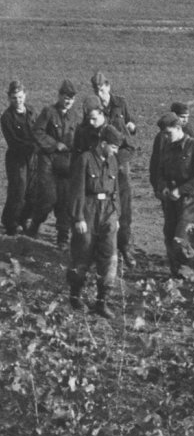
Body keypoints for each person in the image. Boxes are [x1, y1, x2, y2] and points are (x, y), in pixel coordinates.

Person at [68, 99, 122, 319]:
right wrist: (78, 217)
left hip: (107, 212)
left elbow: (116, 189)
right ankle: (75, 295)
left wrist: (116, 215)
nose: (115, 151)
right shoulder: (85, 160)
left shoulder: (113, 161)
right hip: (88, 210)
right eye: (114, 146)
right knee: (83, 252)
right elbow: (77, 190)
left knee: (109, 257)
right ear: (103, 143)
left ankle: (102, 301)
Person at [151, 112, 194, 277]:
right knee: (170, 237)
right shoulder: (167, 148)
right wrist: (162, 187)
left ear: (178, 128)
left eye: (168, 133)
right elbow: (160, 172)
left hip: (192, 202)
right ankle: (177, 276)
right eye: (164, 134)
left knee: (184, 240)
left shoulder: (193, 146)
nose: (166, 137)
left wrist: (181, 190)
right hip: (172, 201)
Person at [88, 71, 137, 268]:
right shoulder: (95, 109)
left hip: (121, 164)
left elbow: (130, 131)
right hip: (102, 165)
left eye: (102, 89)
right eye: (96, 91)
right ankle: (101, 250)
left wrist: (132, 126)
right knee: (102, 206)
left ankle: (126, 247)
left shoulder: (120, 103)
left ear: (108, 86)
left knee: (125, 208)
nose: (100, 94)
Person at [28, 80, 78, 246]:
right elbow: (37, 131)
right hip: (48, 161)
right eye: (65, 97)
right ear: (59, 96)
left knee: (64, 200)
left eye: (71, 98)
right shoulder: (49, 112)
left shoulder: (74, 116)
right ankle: (35, 224)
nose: (68, 101)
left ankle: (62, 238)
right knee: (48, 197)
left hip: (65, 163)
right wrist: (54, 144)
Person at [1, 80, 37, 236]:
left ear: (25, 95)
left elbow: (38, 130)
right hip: (17, 159)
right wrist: (34, 145)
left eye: (20, 97)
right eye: (14, 98)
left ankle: (25, 219)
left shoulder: (31, 111)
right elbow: (14, 142)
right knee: (18, 190)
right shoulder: (7, 117)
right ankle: (11, 222)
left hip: (33, 158)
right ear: (9, 98)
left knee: (32, 189)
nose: (18, 100)